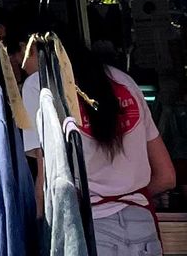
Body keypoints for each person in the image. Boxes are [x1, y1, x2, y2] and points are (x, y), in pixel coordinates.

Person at [21, 30, 176, 256]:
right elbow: (167, 176)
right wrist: (125, 197)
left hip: (91, 230)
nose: (20, 63)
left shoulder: (39, 85)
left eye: (19, 53)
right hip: (143, 224)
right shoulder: (123, 81)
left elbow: (46, 184)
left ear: (33, 48)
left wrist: (39, 230)